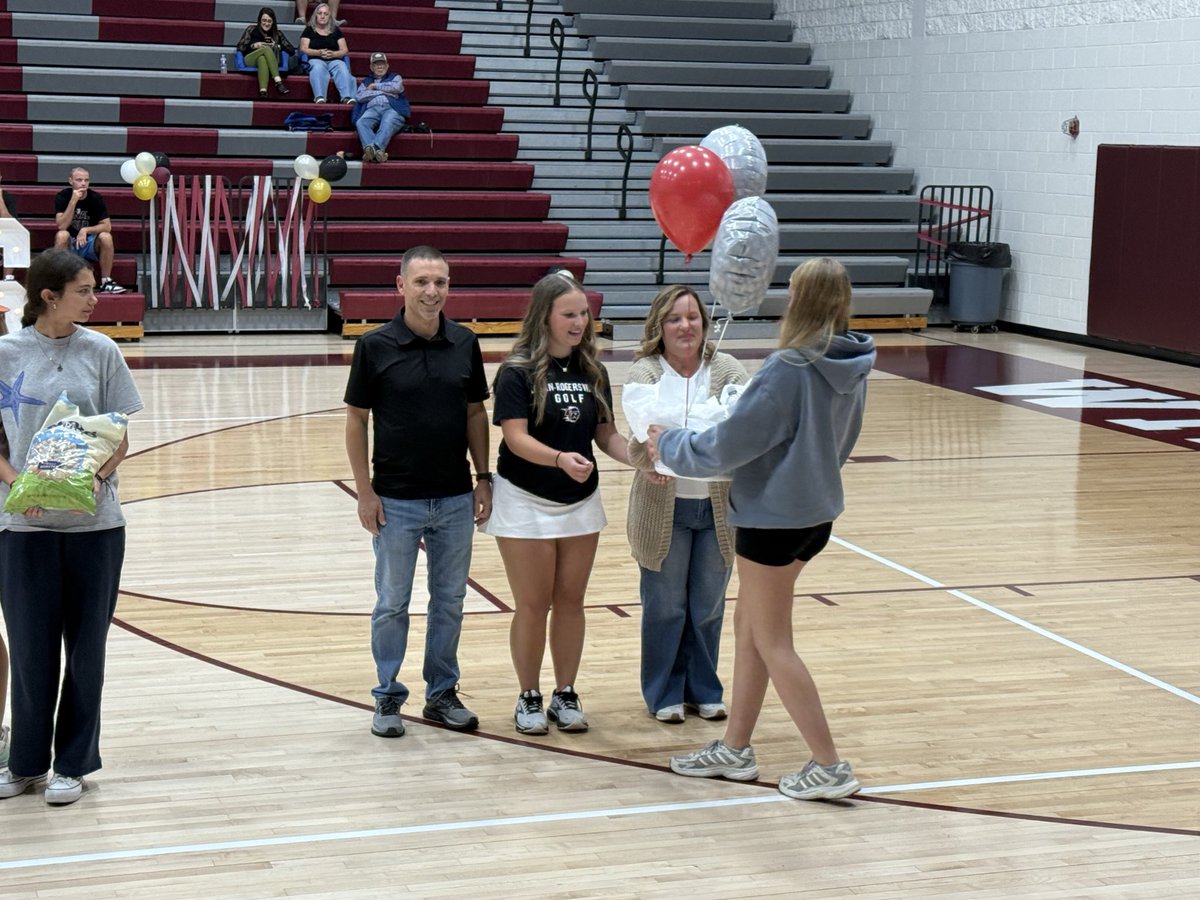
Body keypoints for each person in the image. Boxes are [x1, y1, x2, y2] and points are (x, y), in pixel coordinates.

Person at [647, 257, 875, 802]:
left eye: (794, 292)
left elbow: (730, 444)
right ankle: (735, 747)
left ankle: (829, 764)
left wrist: (668, 446)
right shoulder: (854, 361)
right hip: (815, 515)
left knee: (772, 642)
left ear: (805, 301)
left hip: (772, 520)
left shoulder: (789, 368)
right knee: (750, 628)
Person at [0, 248, 143, 805]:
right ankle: (26, 763)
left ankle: (73, 764)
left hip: (96, 530)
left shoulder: (102, 351)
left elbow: (120, 436)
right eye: (84, 290)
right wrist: (18, 485)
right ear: (49, 295)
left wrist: (90, 482)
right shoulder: (6, 353)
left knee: (86, 653)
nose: (93, 298)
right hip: (23, 530)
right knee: (32, 649)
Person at [344, 246, 492, 738]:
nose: (433, 292)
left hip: (453, 498)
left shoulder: (465, 343)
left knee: (449, 600)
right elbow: (356, 420)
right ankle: (387, 696)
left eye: (442, 282)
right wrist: (364, 492)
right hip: (396, 502)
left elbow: (476, 413)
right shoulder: (375, 346)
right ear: (401, 286)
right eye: (423, 282)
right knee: (392, 602)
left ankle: (441, 694)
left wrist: (483, 477)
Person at [483, 270, 632, 735]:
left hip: (580, 500)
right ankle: (528, 695)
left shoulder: (594, 371)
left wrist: (642, 458)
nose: (579, 322)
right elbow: (515, 437)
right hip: (524, 498)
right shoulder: (516, 371)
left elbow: (605, 434)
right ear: (544, 316)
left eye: (584, 314)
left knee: (571, 600)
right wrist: (560, 458)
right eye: (569, 314)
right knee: (532, 603)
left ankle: (565, 693)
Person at [626, 285, 748, 724]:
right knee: (665, 607)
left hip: (718, 510)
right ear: (659, 325)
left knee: (708, 606)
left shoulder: (728, 369)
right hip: (664, 510)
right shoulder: (644, 372)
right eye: (675, 318)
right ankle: (663, 692)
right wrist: (686, 439)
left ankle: (704, 689)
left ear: (705, 322)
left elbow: (737, 433)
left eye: (693, 317)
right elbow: (643, 444)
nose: (685, 326)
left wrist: (679, 438)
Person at [52, 168, 128, 294]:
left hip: (89, 243)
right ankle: (60, 281)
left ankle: (106, 282)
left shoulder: (95, 198)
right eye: (79, 180)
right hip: (71, 243)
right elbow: (62, 225)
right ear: (70, 181)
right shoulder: (63, 196)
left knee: (106, 236)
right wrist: (73, 201)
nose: (83, 183)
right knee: (61, 235)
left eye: (86, 180)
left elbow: (107, 226)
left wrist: (86, 230)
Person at [352, 52, 410, 163]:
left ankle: (372, 150)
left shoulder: (395, 77)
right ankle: (377, 152)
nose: (380, 67)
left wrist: (374, 87)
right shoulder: (366, 81)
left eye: (382, 64)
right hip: (372, 108)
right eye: (376, 64)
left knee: (387, 122)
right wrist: (382, 92)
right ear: (371, 67)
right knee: (361, 122)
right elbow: (360, 96)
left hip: (392, 107)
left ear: (387, 66)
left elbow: (396, 87)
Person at [300, 3, 355, 104]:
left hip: (334, 59)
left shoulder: (336, 30)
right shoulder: (309, 30)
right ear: (315, 15)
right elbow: (303, 48)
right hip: (316, 58)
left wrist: (334, 54)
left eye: (325, 14)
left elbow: (344, 50)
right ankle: (320, 97)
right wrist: (318, 52)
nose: (322, 16)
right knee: (318, 68)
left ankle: (347, 97)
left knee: (342, 67)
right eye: (320, 13)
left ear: (330, 16)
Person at [236, 6, 294, 97]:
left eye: (269, 21)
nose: (266, 23)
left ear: (273, 22)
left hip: (273, 60)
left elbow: (291, 50)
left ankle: (263, 92)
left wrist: (276, 45)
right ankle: (278, 82)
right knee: (266, 48)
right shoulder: (252, 29)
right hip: (251, 58)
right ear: (259, 20)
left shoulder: (277, 34)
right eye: (264, 20)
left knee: (262, 59)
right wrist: (254, 45)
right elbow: (240, 47)